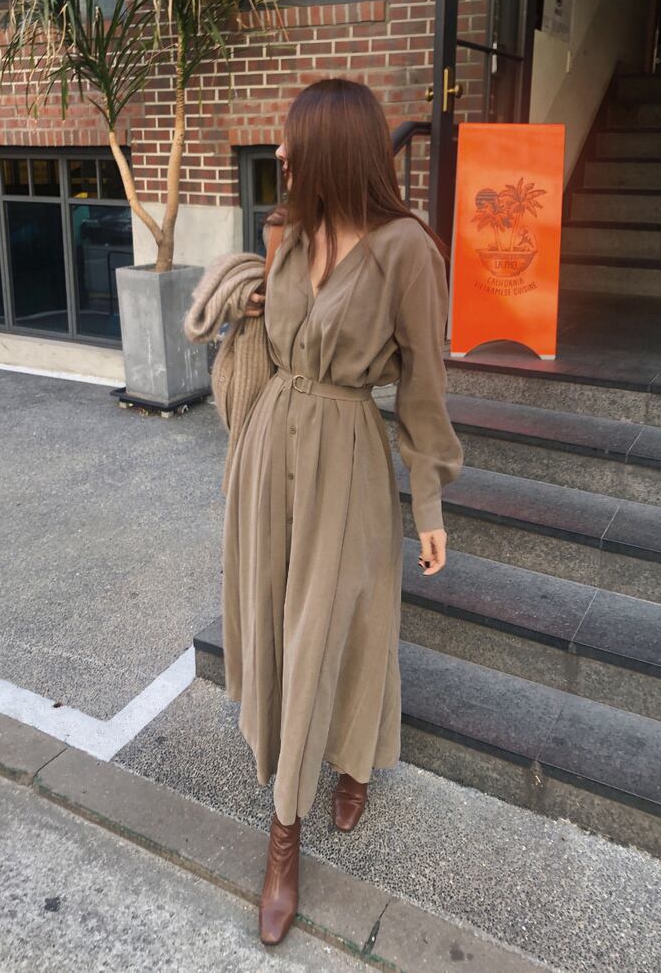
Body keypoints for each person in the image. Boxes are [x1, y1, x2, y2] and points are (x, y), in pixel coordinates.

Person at [223, 78, 464, 946]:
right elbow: (272, 332)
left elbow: (425, 388)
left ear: (333, 146)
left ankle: (291, 829)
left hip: (349, 455)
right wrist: (251, 302)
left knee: (342, 623)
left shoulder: (407, 251)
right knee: (278, 619)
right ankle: (300, 776)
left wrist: (429, 500)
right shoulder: (288, 232)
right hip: (270, 449)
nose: (279, 152)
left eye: (292, 140)